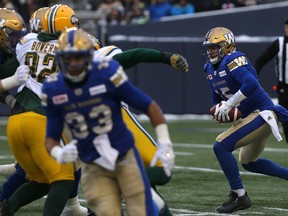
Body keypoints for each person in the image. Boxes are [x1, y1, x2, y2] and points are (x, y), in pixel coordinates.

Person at [42, 28, 175, 215]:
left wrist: (164, 142)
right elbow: (51, 138)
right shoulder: (54, 88)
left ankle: (154, 202)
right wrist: (59, 152)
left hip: (124, 155)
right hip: (93, 165)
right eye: (68, 58)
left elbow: (149, 106)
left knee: (141, 208)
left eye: (78, 57)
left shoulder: (106, 73)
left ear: (90, 56)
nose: (73, 64)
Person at [0, 4, 95, 216]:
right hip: (40, 121)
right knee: (63, 179)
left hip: (15, 122)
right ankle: (70, 208)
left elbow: (5, 71)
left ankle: (7, 207)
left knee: (41, 180)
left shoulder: (27, 43)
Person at [202, 26, 288, 214]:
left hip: (262, 113)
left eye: (215, 47)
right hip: (251, 115)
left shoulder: (234, 59)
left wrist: (230, 104)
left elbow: (250, 83)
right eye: (208, 48)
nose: (210, 51)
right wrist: (220, 112)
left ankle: (239, 196)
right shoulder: (208, 68)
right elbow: (216, 100)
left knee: (220, 146)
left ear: (227, 45)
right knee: (250, 162)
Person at [254, 17, 288, 144]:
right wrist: (253, 75)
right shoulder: (278, 43)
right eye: (287, 26)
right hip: (284, 88)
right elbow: (261, 60)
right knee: (286, 119)